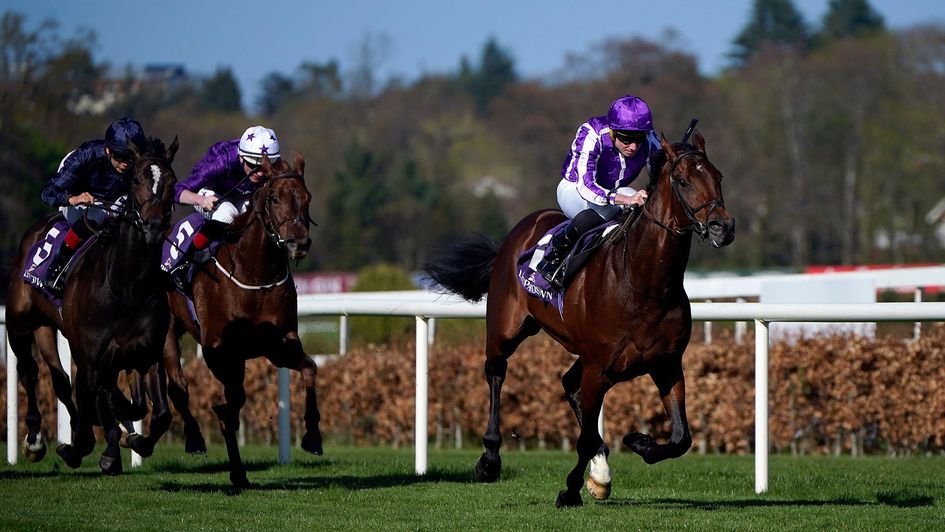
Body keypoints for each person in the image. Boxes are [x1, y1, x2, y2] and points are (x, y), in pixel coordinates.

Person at [536, 95, 656, 288]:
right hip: (575, 190)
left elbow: (661, 171)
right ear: (612, 131)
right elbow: (586, 186)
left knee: (639, 202)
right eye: (626, 139)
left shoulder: (648, 138)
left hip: (615, 191)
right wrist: (624, 199)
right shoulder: (592, 133)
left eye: (638, 140)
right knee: (609, 207)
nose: (633, 147)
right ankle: (554, 255)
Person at [38, 118, 146, 295]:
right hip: (79, 196)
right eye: (120, 156)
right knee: (97, 216)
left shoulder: (138, 161)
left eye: (130, 158)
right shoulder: (86, 156)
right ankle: (56, 268)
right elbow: (48, 192)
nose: (126, 163)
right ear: (108, 150)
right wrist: (72, 198)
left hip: (113, 200)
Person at [171, 125, 280, 278]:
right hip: (210, 193)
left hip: (243, 196)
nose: (260, 173)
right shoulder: (223, 162)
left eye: (263, 167)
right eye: (253, 166)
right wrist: (201, 200)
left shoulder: (274, 164)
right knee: (228, 214)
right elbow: (177, 191)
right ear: (241, 158)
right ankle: (186, 262)